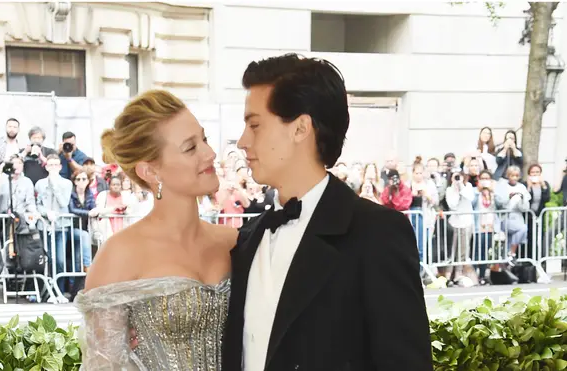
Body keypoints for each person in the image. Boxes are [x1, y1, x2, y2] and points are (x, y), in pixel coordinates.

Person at [222, 53, 432, 371]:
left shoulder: (376, 234)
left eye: (254, 125)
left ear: (300, 128)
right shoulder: (248, 239)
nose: (242, 141)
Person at [75, 90, 236, 370]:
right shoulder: (119, 254)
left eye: (204, 139)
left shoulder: (235, 241)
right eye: (190, 147)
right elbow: (105, 364)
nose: (210, 153)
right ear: (150, 172)